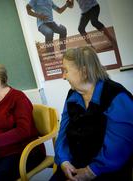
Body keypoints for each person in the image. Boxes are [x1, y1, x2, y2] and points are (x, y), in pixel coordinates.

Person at [50, 46, 133, 181]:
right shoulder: (73, 95)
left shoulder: (117, 97)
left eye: (66, 71)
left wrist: (90, 171)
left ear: (84, 72)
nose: (63, 76)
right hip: (74, 166)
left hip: (106, 171)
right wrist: (64, 161)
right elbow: (63, 134)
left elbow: (119, 148)